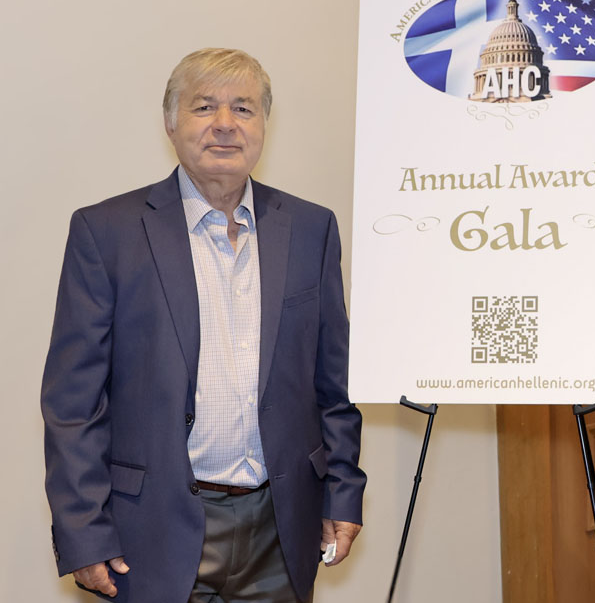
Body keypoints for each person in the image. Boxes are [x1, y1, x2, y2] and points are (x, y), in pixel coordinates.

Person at [41, 48, 366, 602]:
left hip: (281, 529)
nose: (225, 123)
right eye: (204, 106)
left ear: (264, 124)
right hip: (152, 533)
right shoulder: (107, 232)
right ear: (170, 123)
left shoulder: (311, 229)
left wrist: (343, 492)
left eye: (243, 108)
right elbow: (74, 404)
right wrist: (83, 532)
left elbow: (333, 385)